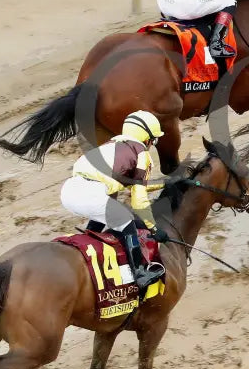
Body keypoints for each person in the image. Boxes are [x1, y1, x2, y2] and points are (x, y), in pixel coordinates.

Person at [59, 111, 168, 291]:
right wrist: (154, 229)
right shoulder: (141, 154)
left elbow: (133, 184)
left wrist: (164, 183)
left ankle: (89, 235)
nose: (151, 145)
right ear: (146, 137)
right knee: (125, 219)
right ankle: (140, 273)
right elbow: (139, 201)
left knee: (108, 204)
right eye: (153, 140)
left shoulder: (111, 145)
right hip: (90, 193)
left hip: (69, 191)